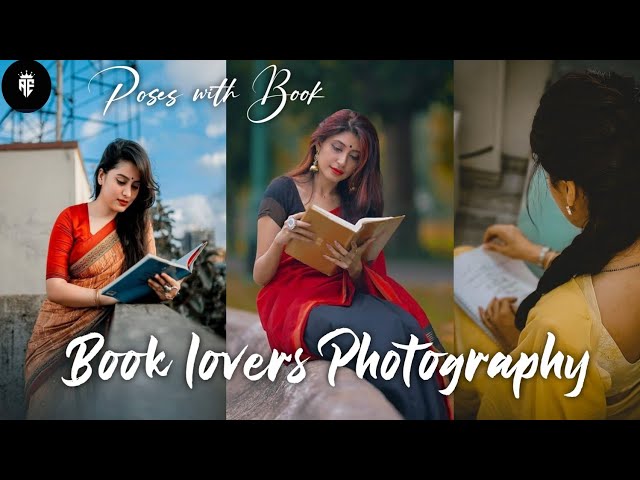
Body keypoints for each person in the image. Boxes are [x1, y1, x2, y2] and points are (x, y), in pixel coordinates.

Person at [459, 71, 640, 419]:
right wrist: (536, 254)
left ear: (569, 191)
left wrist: (520, 347)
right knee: (463, 256)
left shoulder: (556, 328)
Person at [253, 109, 451, 420]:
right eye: (337, 148)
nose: (343, 162)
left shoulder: (355, 203)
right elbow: (260, 276)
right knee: (376, 336)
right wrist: (281, 239)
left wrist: (354, 267)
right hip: (291, 305)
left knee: (408, 328)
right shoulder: (283, 190)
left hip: (340, 293)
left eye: (355, 156)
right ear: (318, 144)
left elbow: (365, 283)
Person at [24, 138, 182, 419]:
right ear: (101, 175)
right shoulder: (70, 219)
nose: (128, 193)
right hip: (58, 338)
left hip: (114, 339)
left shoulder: (138, 225)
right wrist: (99, 297)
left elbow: (147, 279)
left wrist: (167, 288)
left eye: (135, 186)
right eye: (121, 181)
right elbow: (55, 287)